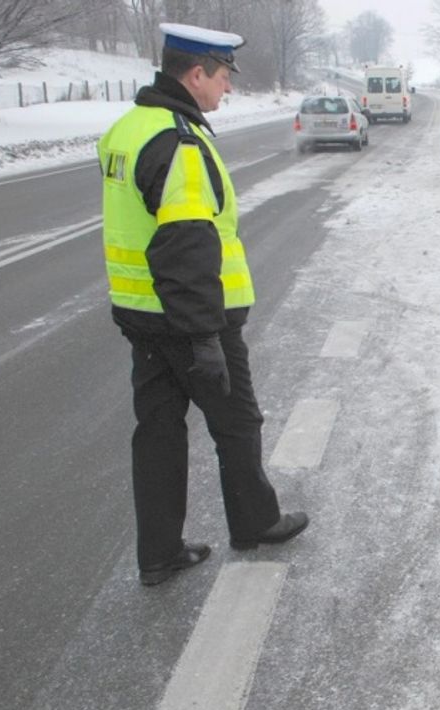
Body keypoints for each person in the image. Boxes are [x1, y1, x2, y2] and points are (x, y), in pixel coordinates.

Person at [98, 23, 308, 586]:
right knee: (237, 422)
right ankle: (255, 523)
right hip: (189, 320)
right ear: (195, 74)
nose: (228, 90)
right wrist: (203, 337)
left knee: (159, 431)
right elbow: (186, 245)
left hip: (141, 315)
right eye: (222, 78)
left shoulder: (128, 128)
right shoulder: (179, 140)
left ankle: (160, 553)